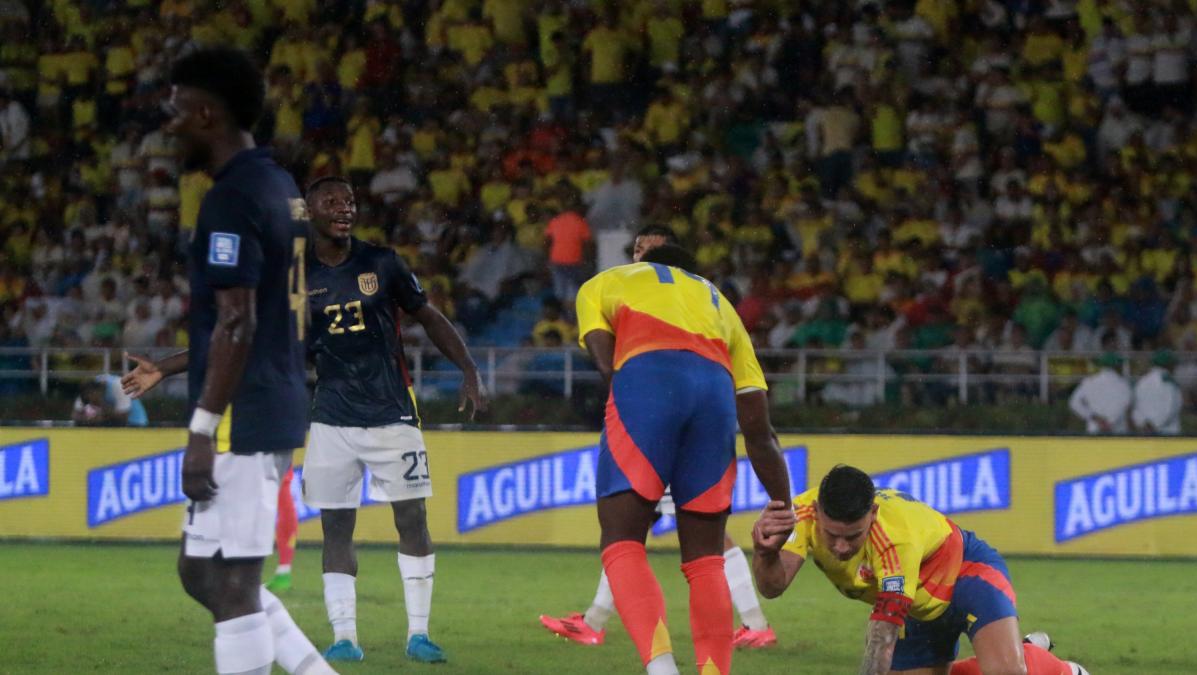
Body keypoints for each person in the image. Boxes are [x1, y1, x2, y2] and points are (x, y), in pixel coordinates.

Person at [120, 48, 335, 675]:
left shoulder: (232, 198)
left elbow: (238, 320)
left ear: (206, 113)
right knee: (199, 570)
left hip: (244, 412)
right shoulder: (279, 187)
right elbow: (256, 316)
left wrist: (201, 431)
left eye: (175, 107)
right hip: (271, 394)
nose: (169, 121)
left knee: (236, 582)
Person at [540, 228, 779, 651]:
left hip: (656, 419)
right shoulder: (714, 306)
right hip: (703, 411)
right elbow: (757, 422)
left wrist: (642, 402)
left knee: (658, 536)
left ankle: (754, 624)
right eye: (636, 249)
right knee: (656, 533)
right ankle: (595, 618)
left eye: (649, 249)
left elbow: (609, 364)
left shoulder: (621, 288)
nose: (640, 255)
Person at [301, 175, 487, 664]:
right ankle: (344, 638)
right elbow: (287, 344)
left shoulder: (381, 262)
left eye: (350, 200)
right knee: (336, 529)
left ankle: (418, 634)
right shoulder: (295, 276)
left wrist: (467, 367)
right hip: (331, 418)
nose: (344, 208)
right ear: (310, 211)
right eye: (332, 201)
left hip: (391, 413)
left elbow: (427, 315)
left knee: (413, 519)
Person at [751, 465, 1090, 675]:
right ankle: (1026, 648)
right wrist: (765, 553)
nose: (840, 547)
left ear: (871, 513)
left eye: (852, 536)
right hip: (917, 605)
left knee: (1006, 673)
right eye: (832, 536)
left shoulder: (894, 537)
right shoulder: (799, 516)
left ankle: (1062, 670)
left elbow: (882, 633)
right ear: (817, 512)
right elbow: (772, 587)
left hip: (966, 576)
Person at [1068, 353, 1133, 434]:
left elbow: (1074, 403)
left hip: (1094, 429)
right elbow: (1125, 404)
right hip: (1118, 431)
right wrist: (1110, 421)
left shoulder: (1089, 382)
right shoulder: (1124, 385)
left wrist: (1094, 417)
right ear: (1117, 366)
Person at [1132, 350, 1183, 435]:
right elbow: (1170, 408)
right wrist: (1154, 425)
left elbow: (1135, 407)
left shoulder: (1141, 381)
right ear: (1168, 364)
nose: (1174, 367)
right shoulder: (1168, 382)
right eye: (1173, 364)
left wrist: (1142, 423)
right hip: (1167, 434)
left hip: (1145, 431)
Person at [72, 373, 148, 427]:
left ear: (99, 391)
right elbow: (76, 415)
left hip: (136, 423)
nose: (92, 403)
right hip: (114, 425)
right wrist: (87, 420)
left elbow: (123, 417)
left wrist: (102, 412)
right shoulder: (87, 390)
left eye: (94, 400)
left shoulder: (119, 386)